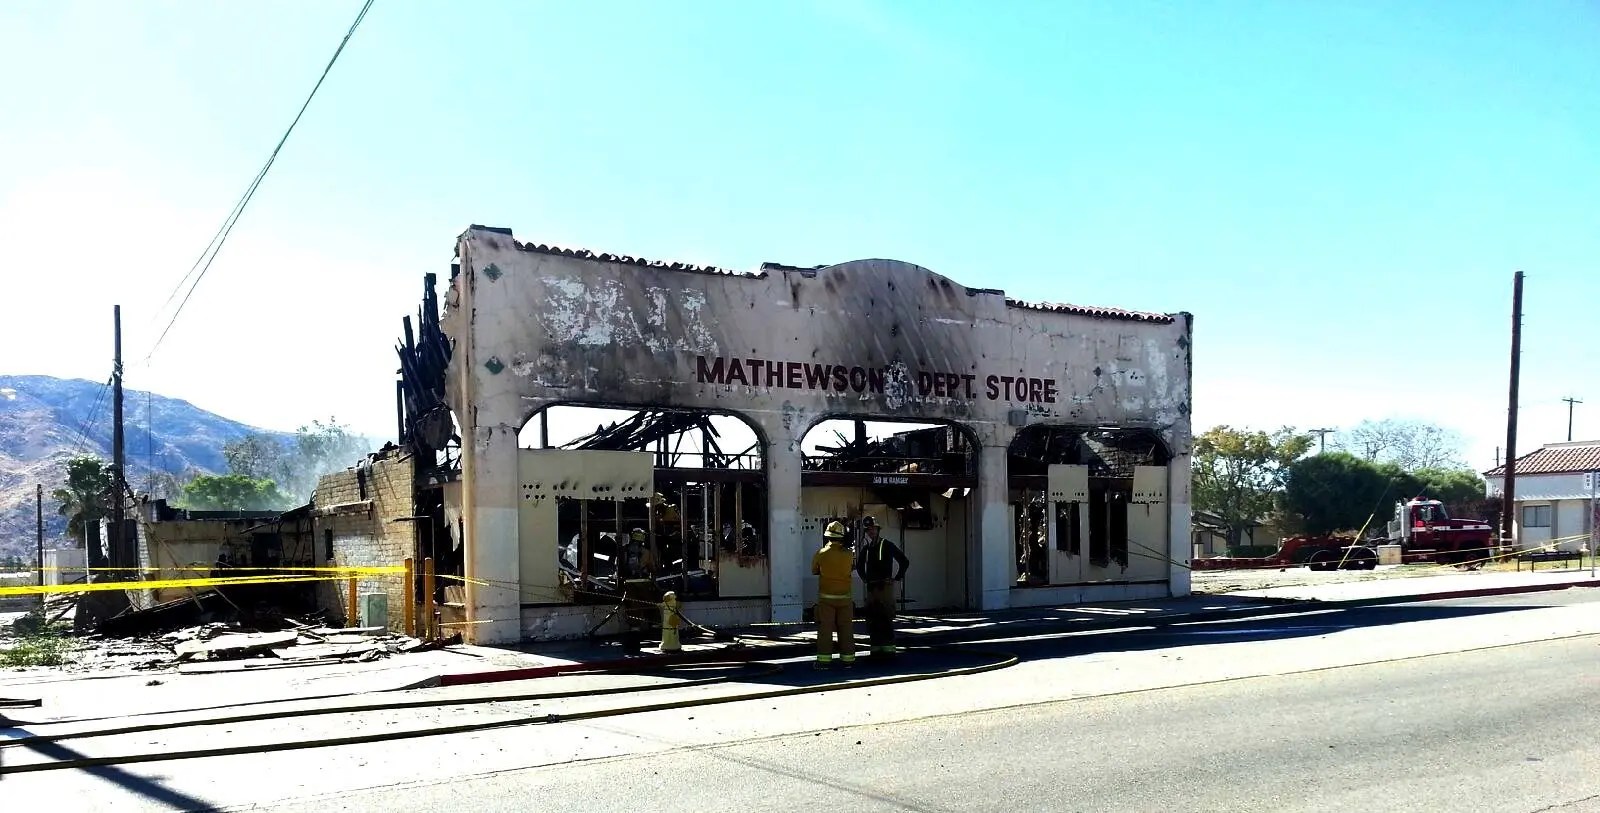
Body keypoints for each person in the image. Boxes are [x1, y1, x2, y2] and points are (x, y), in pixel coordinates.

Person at [854, 516, 909, 658]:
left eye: (872, 529)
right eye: (868, 530)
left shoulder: (887, 545)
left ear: (878, 529)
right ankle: (876, 650)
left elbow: (904, 561)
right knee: (872, 619)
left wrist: (896, 578)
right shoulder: (866, 549)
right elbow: (859, 566)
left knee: (885, 618)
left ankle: (889, 651)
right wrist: (865, 579)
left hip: (884, 586)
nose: (870, 532)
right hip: (872, 588)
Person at [811, 521, 857, 670]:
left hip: (827, 598)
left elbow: (814, 570)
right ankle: (848, 660)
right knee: (846, 628)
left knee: (825, 629)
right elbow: (851, 568)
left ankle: (824, 662)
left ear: (827, 537)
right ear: (841, 537)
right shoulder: (849, 554)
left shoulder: (821, 553)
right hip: (845, 598)